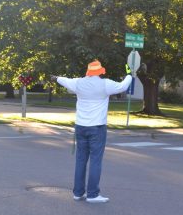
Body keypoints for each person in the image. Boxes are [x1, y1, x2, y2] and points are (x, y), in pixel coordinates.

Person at [51, 60, 132, 203]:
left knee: (81, 160)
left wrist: (56, 78)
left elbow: (64, 80)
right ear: (100, 71)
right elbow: (123, 86)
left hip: (80, 127)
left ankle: (78, 193)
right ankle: (93, 194)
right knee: (95, 160)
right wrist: (129, 74)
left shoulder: (78, 83)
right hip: (97, 127)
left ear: (88, 71)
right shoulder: (105, 84)